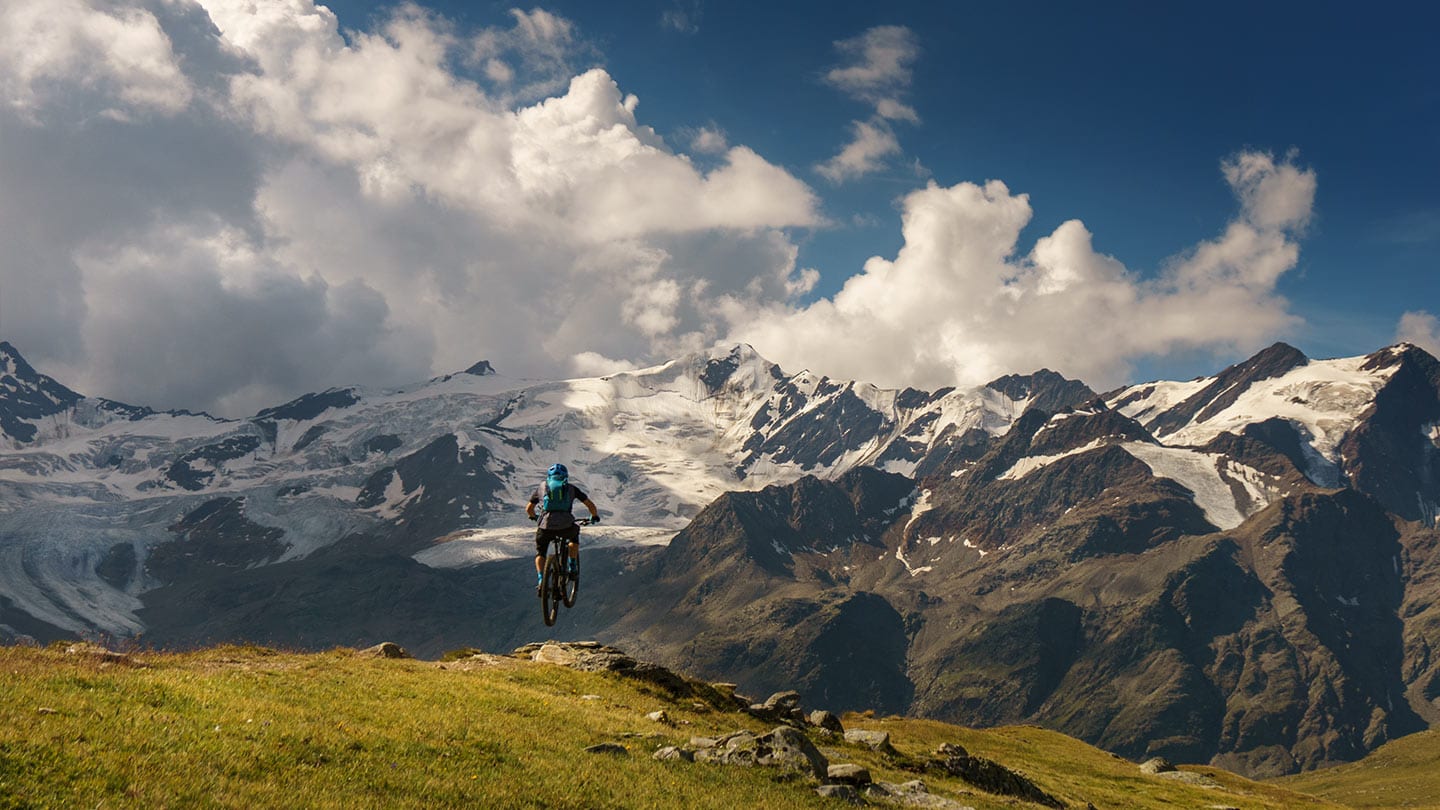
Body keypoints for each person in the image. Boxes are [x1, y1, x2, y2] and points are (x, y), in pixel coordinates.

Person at [526, 463, 600, 593]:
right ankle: (572, 565)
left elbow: (529, 509)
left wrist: (534, 517)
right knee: (573, 538)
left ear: (549, 476)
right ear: (566, 476)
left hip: (545, 527)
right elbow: (590, 505)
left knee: (541, 552)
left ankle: (541, 579)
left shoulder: (541, 488)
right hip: (566, 525)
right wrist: (594, 517)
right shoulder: (571, 488)